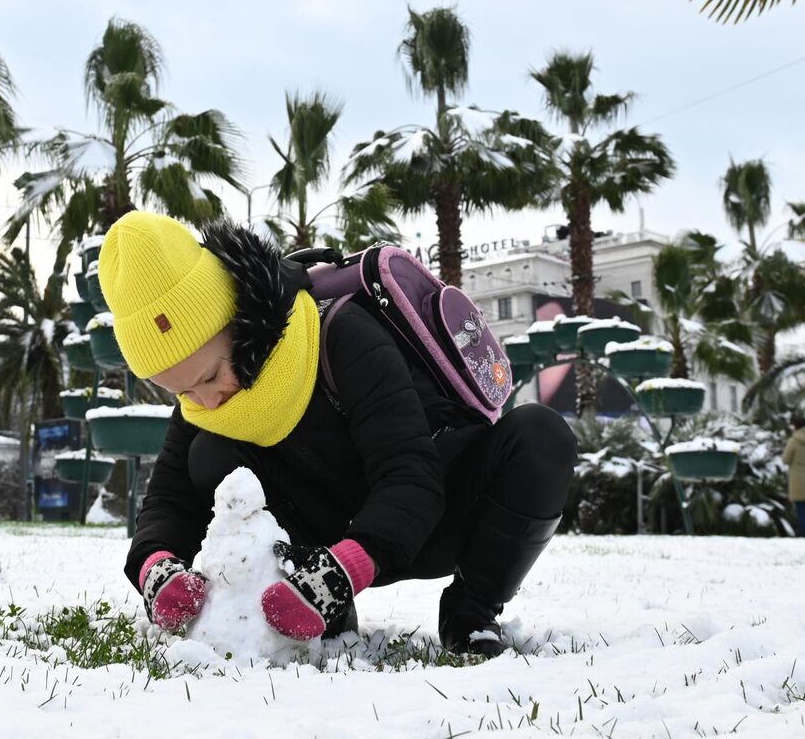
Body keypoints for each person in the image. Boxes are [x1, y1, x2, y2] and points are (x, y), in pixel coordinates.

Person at [101, 211, 577, 657]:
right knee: (205, 454)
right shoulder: (203, 402)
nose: (204, 402)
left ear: (239, 324)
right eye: (181, 392)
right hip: (321, 546)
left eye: (208, 377)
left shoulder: (341, 333)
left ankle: (471, 609)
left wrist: (344, 569)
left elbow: (410, 475)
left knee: (540, 437)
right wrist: (157, 570)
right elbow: (168, 500)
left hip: (433, 516)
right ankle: (312, 603)